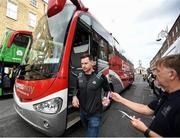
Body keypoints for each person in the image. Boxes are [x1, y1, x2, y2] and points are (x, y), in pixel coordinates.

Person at [111, 54, 180, 137]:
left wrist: (145, 130)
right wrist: (121, 99)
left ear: (172, 74)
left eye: (158, 71)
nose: (154, 74)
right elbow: (147, 109)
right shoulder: (167, 94)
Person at [72, 53, 111, 137]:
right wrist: (74, 96)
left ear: (92, 63)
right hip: (82, 113)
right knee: (87, 131)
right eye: (82, 63)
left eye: (86, 63)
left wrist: (106, 98)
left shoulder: (100, 77)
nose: (83, 66)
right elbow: (76, 88)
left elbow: (108, 91)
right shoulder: (79, 76)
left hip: (95, 114)